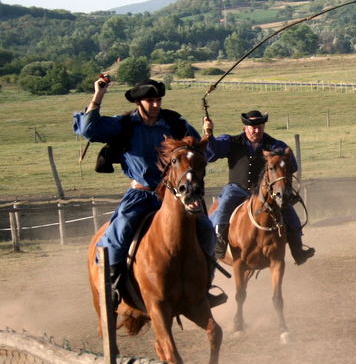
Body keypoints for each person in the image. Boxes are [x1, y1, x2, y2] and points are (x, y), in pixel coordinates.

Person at [73, 77, 225, 307]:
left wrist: (206, 137)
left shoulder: (174, 124)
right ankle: (112, 289)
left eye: (158, 100)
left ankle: (204, 286)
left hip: (174, 196)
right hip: (141, 195)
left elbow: (202, 154)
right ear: (139, 102)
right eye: (150, 101)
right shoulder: (124, 125)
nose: (155, 105)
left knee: (205, 230)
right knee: (118, 234)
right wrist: (99, 94)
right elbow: (88, 129)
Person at [204, 110, 315, 265]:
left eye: (260, 126)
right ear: (245, 128)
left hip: (266, 191)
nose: (257, 130)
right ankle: (219, 245)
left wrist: (283, 160)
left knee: (289, 212)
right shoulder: (232, 142)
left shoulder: (275, 145)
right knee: (223, 206)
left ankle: (298, 250)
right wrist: (209, 132)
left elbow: (292, 165)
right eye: (253, 127)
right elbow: (213, 152)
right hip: (237, 188)